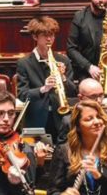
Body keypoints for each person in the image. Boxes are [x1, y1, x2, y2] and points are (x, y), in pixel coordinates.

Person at [16, 16, 74, 144]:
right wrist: (44, 88)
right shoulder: (24, 63)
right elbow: (22, 94)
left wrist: (63, 78)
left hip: (61, 118)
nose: (49, 39)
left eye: (52, 35)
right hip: (36, 118)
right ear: (35, 37)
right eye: (45, 35)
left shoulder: (63, 60)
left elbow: (73, 92)